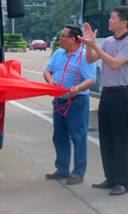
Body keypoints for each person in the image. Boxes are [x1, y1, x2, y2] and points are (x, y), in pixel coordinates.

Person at [81, 5, 128, 196]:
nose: (109, 20)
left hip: (122, 94)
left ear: (124, 22)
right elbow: (91, 60)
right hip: (107, 93)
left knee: (121, 139)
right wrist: (89, 44)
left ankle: (123, 182)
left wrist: (95, 46)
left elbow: (114, 64)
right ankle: (111, 178)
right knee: (106, 139)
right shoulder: (108, 40)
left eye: (113, 17)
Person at [43, 25, 96, 186]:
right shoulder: (59, 53)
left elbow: (90, 79)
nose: (60, 39)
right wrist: (50, 81)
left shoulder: (85, 56)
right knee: (59, 136)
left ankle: (78, 173)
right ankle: (62, 169)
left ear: (73, 39)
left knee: (78, 138)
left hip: (77, 103)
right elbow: (47, 71)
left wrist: (78, 88)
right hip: (59, 101)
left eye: (63, 36)